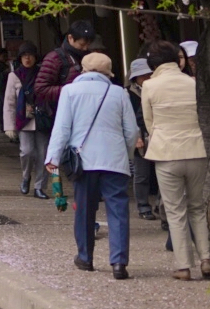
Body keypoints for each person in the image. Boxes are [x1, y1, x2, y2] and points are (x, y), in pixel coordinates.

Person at [45, 51, 139, 279]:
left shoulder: (70, 91)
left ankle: (85, 258)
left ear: (83, 70)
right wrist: (126, 156)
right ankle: (119, 262)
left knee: (85, 209)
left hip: (83, 161)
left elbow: (62, 128)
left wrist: (53, 157)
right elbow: (131, 131)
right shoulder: (119, 93)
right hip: (114, 161)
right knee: (117, 210)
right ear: (108, 72)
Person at [140, 39, 210, 281]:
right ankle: (207, 258)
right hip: (196, 149)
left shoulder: (149, 86)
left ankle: (183, 266)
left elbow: (149, 123)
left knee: (175, 210)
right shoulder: (192, 83)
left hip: (166, 151)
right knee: (198, 207)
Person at [3, 41, 48, 198]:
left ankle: (39, 187)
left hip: (42, 119)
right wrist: (9, 126)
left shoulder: (43, 74)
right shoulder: (14, 76)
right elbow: (9, 102)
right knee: (26, 152)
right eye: (24, 56)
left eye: (30, 55)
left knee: (43, 153)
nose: (27, 59)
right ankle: (26, 177)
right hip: (24, 120)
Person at [125, 58, 157, 220]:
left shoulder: (157, 88)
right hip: (139, 135)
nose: (146, 78)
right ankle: (143, 206)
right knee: (141, 174)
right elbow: (128, 118)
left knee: (161, 173)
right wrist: (135, 137)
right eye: (142, 76)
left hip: (157, 134)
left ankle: (159, 206)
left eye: (149, 74)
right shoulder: (127, 93)